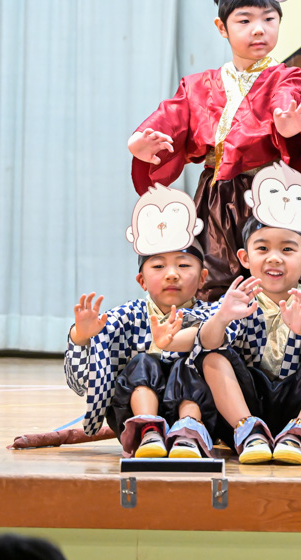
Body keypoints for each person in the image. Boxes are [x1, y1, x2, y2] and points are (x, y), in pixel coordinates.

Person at [129, 0, 301, 301]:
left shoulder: (285, 77)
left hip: (266, 192)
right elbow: (171, 116)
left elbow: (285, 103)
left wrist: (287, 129)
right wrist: (141, 141)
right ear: (222, 27)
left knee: (268, 275)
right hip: (215, 195)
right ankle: (212, 333)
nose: (258, 29)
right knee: (213, 275)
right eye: (244, 20)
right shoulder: (200, 85)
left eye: (269, 19)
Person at [193, 163, 301, 464]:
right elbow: (207, 342)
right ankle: (248, 430)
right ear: (244, 257)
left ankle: (299, 433)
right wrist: (221, 317)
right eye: (262, 249)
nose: (274, 258)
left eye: (287, 250)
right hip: (250, 405)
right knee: (212, 356)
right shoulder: (238, 298)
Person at [64, 186, 214, 458]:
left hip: (199, 417)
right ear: (141, 281)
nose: (171, 274)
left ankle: (189, 430)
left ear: (203, 278)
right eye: (158, 266)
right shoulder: (125, 317)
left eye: (183, 265)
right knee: (143, 363)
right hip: (132, 418)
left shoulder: (212, 318)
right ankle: (147, 429)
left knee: (192, 366)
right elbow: (81, 384)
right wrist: (81, 338)